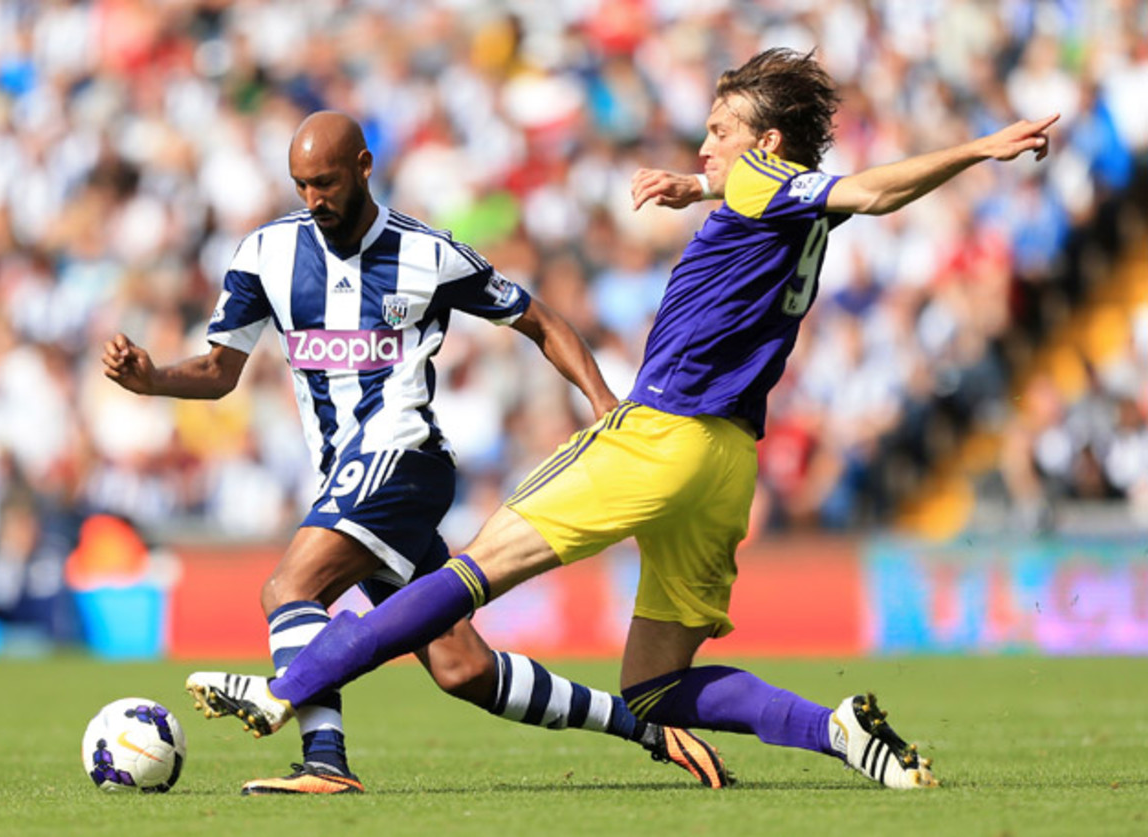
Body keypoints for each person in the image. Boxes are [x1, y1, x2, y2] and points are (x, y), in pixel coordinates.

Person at [189, 49, 1059, 790]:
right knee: (650, 689)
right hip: (728, 463)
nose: (704, 143)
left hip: (660, 433)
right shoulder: (774, 199)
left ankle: (287, 690)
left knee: (470, 571)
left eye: (718, 131)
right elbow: (788, 204)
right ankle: (839, 730)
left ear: (765, 141)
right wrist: (698, 184)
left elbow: (865, 194)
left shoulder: (766, 178)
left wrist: (979, 148)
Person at [103, 111, 731, 794]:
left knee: (289, 588)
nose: (314, 199)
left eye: (327, 182)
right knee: (464, 667)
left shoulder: (426, 254)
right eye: (302, 185)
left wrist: (603, 402)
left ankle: (325, 762)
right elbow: (222, 370)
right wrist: (153, 378)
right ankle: (647, 730)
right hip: (345, 476)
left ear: (365, 168)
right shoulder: (266, 255)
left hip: (405, 460)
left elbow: (540, 320)